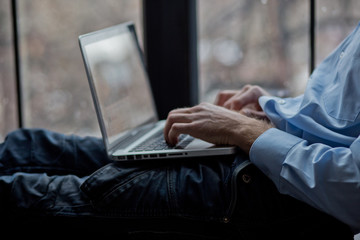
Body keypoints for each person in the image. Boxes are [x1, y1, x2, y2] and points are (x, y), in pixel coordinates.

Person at [1, 23, 360, 240]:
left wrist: (241, 129)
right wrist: (277, 111)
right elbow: (340, 124)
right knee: (34, 146)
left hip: (282, 199)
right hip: (267, 160)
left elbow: (352, 187)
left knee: (64, 196)